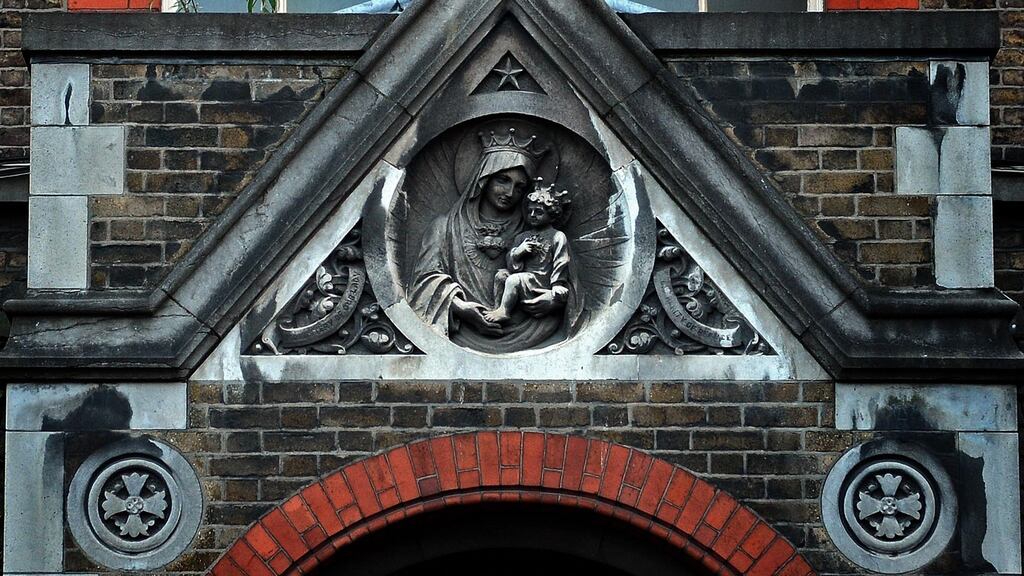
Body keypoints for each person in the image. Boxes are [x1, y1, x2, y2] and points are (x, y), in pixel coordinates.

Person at [409, 128, 578, 353]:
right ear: (484, 179)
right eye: (503, 180)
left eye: (520, 187)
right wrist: (460, 307)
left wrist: (554, 300)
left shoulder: (537, 231)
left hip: (534, 327)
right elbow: (424, 282)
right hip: (466, 329)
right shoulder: (445, 228)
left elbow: (567, 278)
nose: (510, 192)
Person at [485, 180, 572, 325]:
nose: (532, 215)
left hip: (541, 281)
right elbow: (513, 267)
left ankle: (504, 312)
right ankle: (498, 307)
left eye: (538, 212)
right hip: (525, 278)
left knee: (514, 280)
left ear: (552, 214)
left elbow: (561, 261)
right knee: (501, 275)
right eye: (530, 210)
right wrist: (518, 253)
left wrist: (557, 284)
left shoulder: (557, 236)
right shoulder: (522, 237)